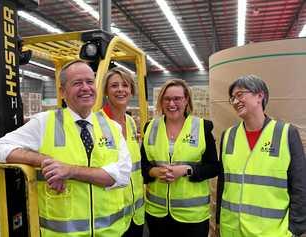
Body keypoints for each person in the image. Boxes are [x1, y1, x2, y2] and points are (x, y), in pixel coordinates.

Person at [0, 60, 132, 237]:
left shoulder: (112, 127)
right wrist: (45, 161)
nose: (86, 88)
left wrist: (70, 171)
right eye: (77, 83)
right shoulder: (45, 122)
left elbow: (123, 175)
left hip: (111, 232)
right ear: (62, 91)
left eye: (89, 82)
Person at [217, 75, 306, 237]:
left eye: (240, 95)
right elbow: (223, 182)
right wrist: (217, 221)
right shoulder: (228, 135)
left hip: (271, 232)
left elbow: (300, 185)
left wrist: (295, 229)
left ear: (260, 96)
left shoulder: (286, 133)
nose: (235, 101)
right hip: (231, 230)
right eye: (232, 98)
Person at [141, 79, 219, 237]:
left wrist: (187, 170)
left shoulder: (202, 127)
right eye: (167, 99)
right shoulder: (150, 127)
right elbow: (142, 166)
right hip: (157, 214)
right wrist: (154, 172)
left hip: (192, 217)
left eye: (177, 98)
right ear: (161, 102)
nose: (171, 104)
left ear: (186, 100)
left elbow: (213, 167)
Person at [101, 67, 145, 237]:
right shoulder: (97, 123)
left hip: (136, 214)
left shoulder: (131, 122)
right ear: (106, 90)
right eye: (114, 86)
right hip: (113, 218)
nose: (120, 89)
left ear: (131, 90)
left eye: (125, 85)